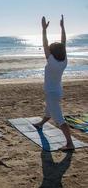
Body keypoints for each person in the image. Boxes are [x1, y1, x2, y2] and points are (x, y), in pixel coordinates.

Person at [33, 15, 74, 151]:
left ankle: (69, 143)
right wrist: (62, 27)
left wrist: (44, 29)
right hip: (56, 91)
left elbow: (45, 44)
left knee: (60, 120)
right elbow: (63, 42)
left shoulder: (51, 61)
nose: (48, 49)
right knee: (49, 110)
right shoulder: (63, 60)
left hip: (52, 93)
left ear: (52, 52)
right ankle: (41, 123)